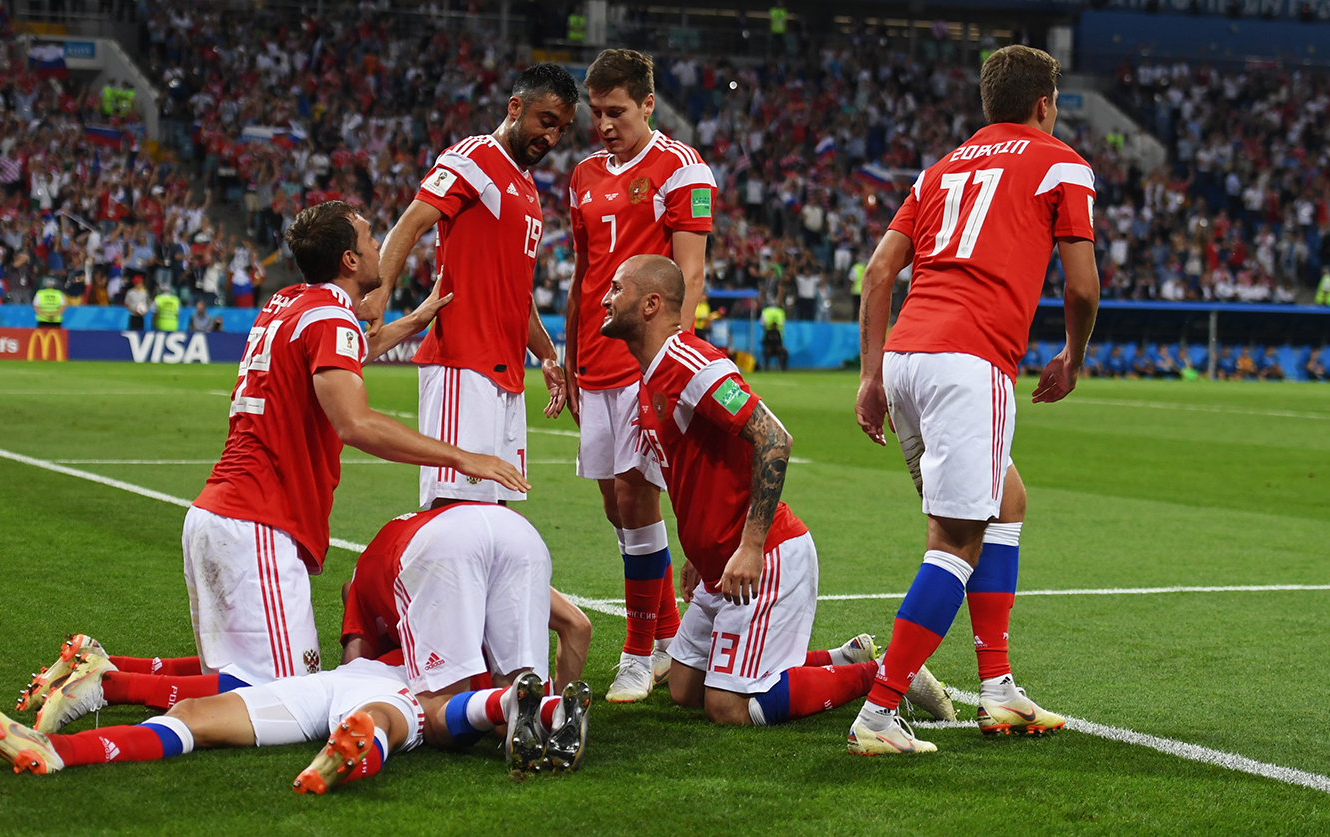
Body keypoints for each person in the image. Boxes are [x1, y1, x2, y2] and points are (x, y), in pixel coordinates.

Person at [21, 202, 530, 733]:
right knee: (287, 698)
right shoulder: (331, 318)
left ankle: (101, 663)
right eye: (370, 237)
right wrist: (463, 456)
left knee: (248, 678)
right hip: (257, 521)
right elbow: (355, 423)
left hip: (223, 514)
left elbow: (341, 355)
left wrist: (414, 322)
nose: (380, 244)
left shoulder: (288, 303)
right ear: (350, 259)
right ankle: (109, 685)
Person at [853, 45, 1100, 754]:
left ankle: (998, 688)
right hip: (969, 360)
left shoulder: (939, 170)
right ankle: (879, 713)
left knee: (1007, 501)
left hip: (906, 358)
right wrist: (1073, 356)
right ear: (1045, 104)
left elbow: (879, 272)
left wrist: (871, 377)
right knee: (956, 540)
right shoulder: (1061, 162)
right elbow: (1082, 287)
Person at [598, 255, 955, 729]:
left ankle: (886, 674)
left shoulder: (691, 365)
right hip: (718, 565)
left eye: (616, 289)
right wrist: (699, 554)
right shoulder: (653, 375)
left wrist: (750, 545)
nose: (604, 299)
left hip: (763, 560)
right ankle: (844, 657)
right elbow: (700, 475)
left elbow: (774, 439)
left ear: (650, 304)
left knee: (727, 708)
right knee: (684, 689)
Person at [564, 48, 718, 702]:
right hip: (594, 360)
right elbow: (584, 273)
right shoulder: (582, 175)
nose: (604, 124)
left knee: (636, 497)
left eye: (617, 112)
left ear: (649, 104)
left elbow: (690, 274)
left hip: (644, 361)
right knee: (615, 506)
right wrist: (570, 356)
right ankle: (667, 638)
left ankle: (635, 651)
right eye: (596, 112)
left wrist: (668, 363)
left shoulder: (681, 168)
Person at [364, 64, 576, 511]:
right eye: (546, 121)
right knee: (455, 510)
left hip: (506, 374)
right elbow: (411, 222)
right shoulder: (475, 157)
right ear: (515, 107)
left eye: (562, 128)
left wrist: (547, 356)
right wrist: (378, 292)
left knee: (495, 513)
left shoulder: (526, 186)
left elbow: (517, 292)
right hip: (463, 364)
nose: (552, 137)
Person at [339, 502, 593, 773]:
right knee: (515, 704)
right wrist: (561, 692)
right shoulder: (404, 540)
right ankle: (556, 711)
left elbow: (354, 673)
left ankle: (532, 708)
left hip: (441, 547)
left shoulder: (362, 583)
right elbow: (578, 626)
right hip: (518, 533)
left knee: (437, 712)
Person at [0, 651, 423, 792]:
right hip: (344, 677)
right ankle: (59, 749)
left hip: (403, 692)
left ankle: (348, 762)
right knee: (189, 714)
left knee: (375, 720)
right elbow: (357, 638)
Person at [760, 303, 789, 371]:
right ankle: (766, 367)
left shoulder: (778, 333)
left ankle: (783, 368)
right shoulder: (768, 333)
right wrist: (767, 347)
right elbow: (765, 341)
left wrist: (780, 347)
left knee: (785, 352)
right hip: (770, 348)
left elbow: (780, 342)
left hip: (776, 348)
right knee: (767, 351)